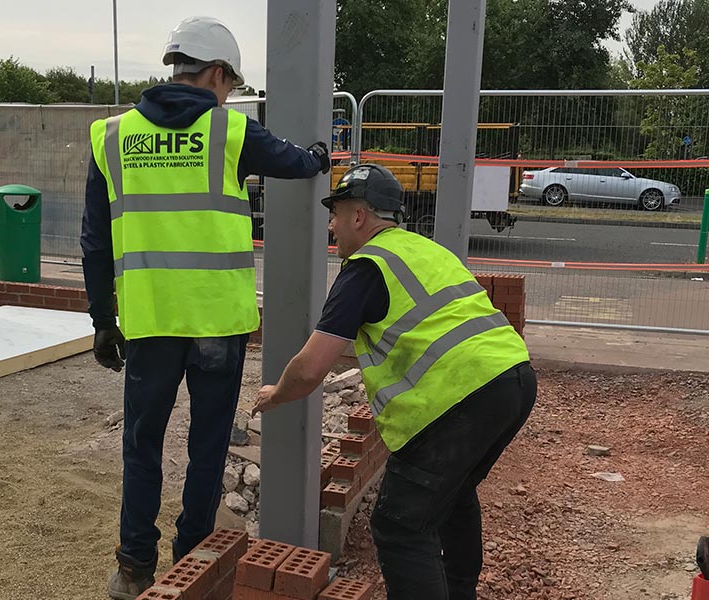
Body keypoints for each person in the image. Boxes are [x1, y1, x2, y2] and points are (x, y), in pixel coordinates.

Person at [81, 15, 330, 600]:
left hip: (148, 323)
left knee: (142, 446)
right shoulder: (230, 131)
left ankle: (134, 567)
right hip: (217, 321)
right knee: (207, 445)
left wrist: (101, 319)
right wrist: (321, 154)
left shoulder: (111, 135)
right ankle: (192, 558)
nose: (228, 95)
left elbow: (95, 239)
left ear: (176, 66)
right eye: (230, 84)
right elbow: (297, 162)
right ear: (217, 74)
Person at [253, 164, 536, 600]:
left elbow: (311, 368)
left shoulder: (366, 267)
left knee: (400, 525)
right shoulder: (423, 249)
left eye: (336, 213)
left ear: (359, 217)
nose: (331, 225)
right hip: (513, 379)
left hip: (455, 399)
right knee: (453, 494)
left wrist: (277, 394)